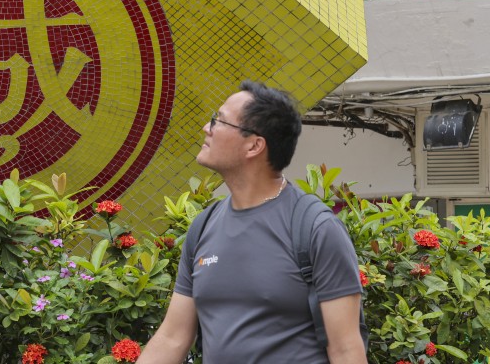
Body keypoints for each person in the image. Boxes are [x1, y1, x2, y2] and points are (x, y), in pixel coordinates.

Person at [137, 81, 367, 363]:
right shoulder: (203, 226)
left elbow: (345, 349)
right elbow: (172, 338)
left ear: (254, 145)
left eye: (219, 121)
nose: (207, 128)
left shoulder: (315, 228)